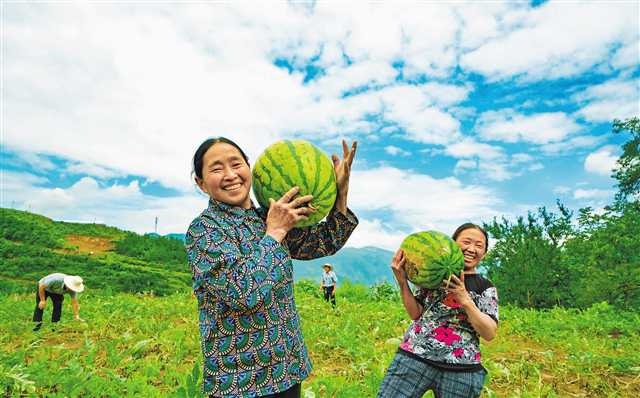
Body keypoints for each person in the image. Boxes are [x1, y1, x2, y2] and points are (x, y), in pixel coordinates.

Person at [185, 137, 358, 398]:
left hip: (287, 369)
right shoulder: (205, 230)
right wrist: (276, 231)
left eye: (236, 164)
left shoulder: (266, 217)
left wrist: (340, 191)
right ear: (201, 183)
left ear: (249, 168)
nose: (230, 175)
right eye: (217, 168)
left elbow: (326, 241)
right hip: (240, 381)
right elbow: (242, 293)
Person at [377, 223, 499, 398]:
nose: (472, 249)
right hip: (415, 357)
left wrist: (464, 298)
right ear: (453, 243)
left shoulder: (485, 287)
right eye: (466, 242)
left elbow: (489, 333)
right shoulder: (433, 277)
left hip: (462, 369)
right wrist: (403, 281)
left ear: (484, 253)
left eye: (479, 245)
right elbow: (415, 313)